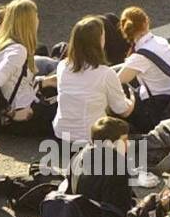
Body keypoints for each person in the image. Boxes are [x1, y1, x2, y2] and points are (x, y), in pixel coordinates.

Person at [40, 14, 133, 151]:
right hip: (88, 141)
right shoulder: (105, 73)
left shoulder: (62, 66)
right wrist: (132, 98)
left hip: (60, 138)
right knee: (129, 132)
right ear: (99, 41)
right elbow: (123, 111)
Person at [0, 0, 57, 136]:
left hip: (25, 101)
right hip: (22, 117)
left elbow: (14, 84)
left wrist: (46, 82)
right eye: (36, 16)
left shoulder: (2, 42)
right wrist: (10, 113)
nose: (38, 20)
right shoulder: (17, 51)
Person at [116, 6, 170, 133]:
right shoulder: (161, 41)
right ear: (146, 22)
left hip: (158, 108)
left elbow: (117, 80)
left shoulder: (140, 56)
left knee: (122, 93)